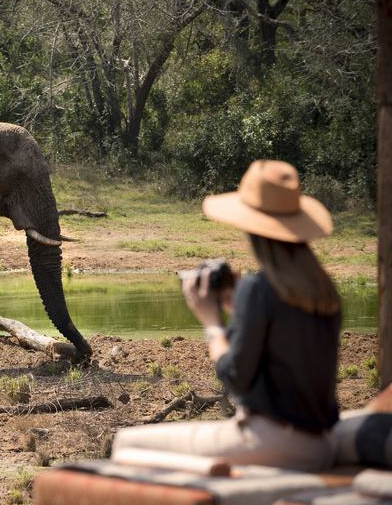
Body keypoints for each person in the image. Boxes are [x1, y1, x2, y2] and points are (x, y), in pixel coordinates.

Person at [112, 160, 341, 472]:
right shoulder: (324, 291)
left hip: (272, 441)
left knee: (125, 443)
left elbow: (235, 376)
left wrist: (212, 323)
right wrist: (240, 312)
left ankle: (210, 478)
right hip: (322, 444)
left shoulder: (259, 289)